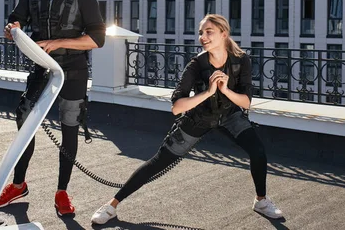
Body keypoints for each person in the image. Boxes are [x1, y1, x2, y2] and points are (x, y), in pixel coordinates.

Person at [91, 14, 283, 225]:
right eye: (201, 32)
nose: (203, 36)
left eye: (209, 31)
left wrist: (225, 90)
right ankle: (111, 206)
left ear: (224, 34)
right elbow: (176, 108)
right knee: (157, 162)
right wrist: (208, 93)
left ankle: (261, 201)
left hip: (230, 116)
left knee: (258, 152)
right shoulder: (196, 65)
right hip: (198, 118)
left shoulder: (241, 60)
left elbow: (246, 102)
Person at [0, 0, 105, 217]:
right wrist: (13, 28)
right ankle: (19, 185)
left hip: (74, 71)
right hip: (41, 69)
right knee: (25, 122)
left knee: (69, 127)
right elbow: (15, 19)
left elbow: (97, 39)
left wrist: (57, 42)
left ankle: (62, 192)